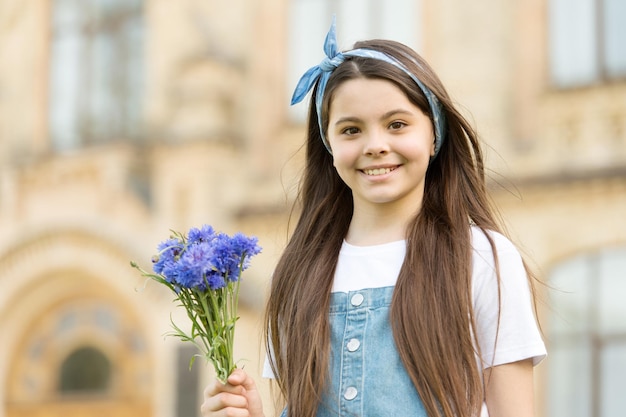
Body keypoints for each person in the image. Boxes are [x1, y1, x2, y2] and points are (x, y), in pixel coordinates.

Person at [201, 17, 546, 417]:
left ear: (434, 133)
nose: (376, 146)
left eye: (397, 124)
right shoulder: (298, 271)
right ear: (328, 145)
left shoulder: (483, 256)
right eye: (351, 130)